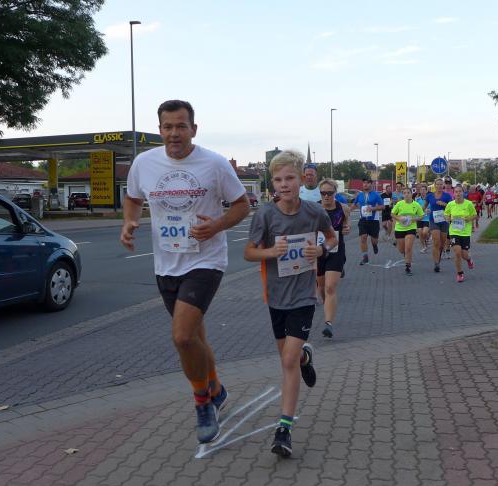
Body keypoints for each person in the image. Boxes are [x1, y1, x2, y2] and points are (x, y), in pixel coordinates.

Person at [121, 99, 250, 444]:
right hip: (166, 263)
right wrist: (129, 221)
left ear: (194, 129)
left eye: (181, 126)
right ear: (159, 130)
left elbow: (242, 205)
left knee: (181, 337)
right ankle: (217, 389)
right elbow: (132, 198)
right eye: (168, 127)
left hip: (205, 260)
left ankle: (203, 403)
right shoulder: (144, 163)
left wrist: (217, 225)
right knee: (195, 338)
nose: (174, 133)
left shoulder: (214, 163)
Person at [245, 149, 337, 458]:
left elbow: (332, 238)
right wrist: (270, 252)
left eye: (289, 178)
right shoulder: (265, 215)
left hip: (303, 296)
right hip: (276, 297)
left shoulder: (314, 212)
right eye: (278, 179)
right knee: (290, 358)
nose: (284, 184)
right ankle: (305, 359)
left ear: (301, 180)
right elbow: (248, 252)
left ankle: (284, 429)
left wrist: (321, 251)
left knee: (287, 361)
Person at [316, 179, 349, 338]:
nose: (326, 196)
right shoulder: (314, 209)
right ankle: (327, 305)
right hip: (319, 252)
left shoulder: (343, 208)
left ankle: (328, 323)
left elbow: (346, 225)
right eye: (323, 193)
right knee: (321, 288)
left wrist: (346, 228)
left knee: (330, 287)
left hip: (336, 250)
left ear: (335, 193)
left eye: (329, 193)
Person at [445, 184, 477, 282]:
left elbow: (475, 215)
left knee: (464, 255)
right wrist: (448, 219)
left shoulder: (468, 204)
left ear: (463, 193)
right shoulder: (450, 204)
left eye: (460, 191)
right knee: (457, 253)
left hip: (465, 233)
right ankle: (460, 273)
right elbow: (446, 214)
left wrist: (468, 219)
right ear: (454, 194)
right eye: (456, 192)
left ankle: (469, 259)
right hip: (454, 232)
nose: (458, 193)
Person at [351, 177, 384, 265]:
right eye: (364, 183)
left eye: (367, 183)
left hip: (373, 221)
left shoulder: (376, 195)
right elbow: (353, 204)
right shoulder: (360, 195)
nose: (365, 184)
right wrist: (347, 211)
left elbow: (382, 206)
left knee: (374, 240)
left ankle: (374, 245)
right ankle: (365, 256)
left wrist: (373, 208)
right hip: (363, 220)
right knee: (363, 237)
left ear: (371, 184)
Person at [391, 189, 424, 275]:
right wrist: (399, 218)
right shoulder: (399, 204)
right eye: (404, 193)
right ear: (403, 195)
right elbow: (392, 214)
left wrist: (413, 219)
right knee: (402, 250)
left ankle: (408, 267)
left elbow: (421, 216)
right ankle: (406, 255)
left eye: (408, 193)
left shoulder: (416, 205)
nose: (406, 195)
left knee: (408, 248)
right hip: (399, 229)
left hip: (411, 228)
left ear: (411, 194)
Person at [426, 178, 453, 273]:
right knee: (436, 242)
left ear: (443, 185)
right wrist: (424, 210)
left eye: (441, 184)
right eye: (437, 184)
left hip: (444, 221)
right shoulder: (430, 196)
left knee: (442, 244)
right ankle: (436, 263)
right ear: (434, 185)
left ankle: (439, 257)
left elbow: (452, 207)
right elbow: (424, 206)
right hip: (433, 220)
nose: (439, 186)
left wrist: (444, 204)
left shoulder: (447, 196)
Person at [415, 184, 431, 253]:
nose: (423, 191)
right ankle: (424, 247)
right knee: (420, 232)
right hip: (419, 218)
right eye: (421, 190)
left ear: (426, 191)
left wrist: (430, 210)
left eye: (424, 190)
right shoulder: (417, 200)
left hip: (427, 218)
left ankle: (428, 239)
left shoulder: (429, 199)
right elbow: (415, 209)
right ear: (420, 191)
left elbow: (433, 207)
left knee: (424, 232)